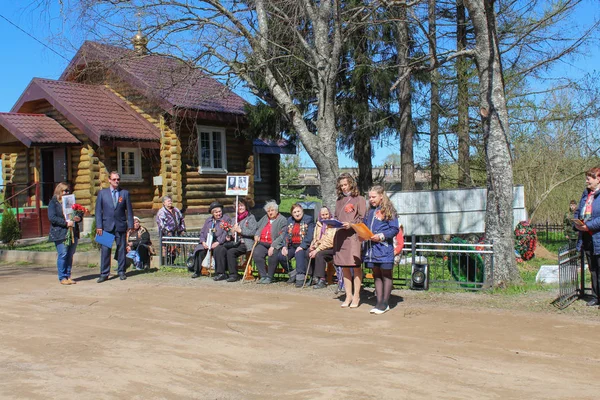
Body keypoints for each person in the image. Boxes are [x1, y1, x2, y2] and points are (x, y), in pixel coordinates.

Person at [363, 185, 400, 314]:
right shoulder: (369, 211)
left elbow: (394, 229)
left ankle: (385, 303)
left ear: (381, 196)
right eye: (369, 197)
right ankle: (378, 302)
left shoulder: (389, 210)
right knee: (376, 275)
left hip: (384, 248)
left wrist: (381, 236)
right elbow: (364, 225)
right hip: (371, 249)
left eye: (374, 197)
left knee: (386, 275)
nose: (371, 199)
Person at [333, 173, 366, 308]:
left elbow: (363, 218)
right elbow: (336, 216)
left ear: (351, 184)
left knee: (355, 266)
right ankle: (348, 295)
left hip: (353, 236)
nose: (344, 188)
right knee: (344, 266)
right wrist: (332, 223)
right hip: (341, 235)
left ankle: (357, 296)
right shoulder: (339, 200)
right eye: (341, 186)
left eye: (345, 184)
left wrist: (351, 224)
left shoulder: (359, 199)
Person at [95, 171, 134, 282]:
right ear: (109, 180)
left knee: (121, 250)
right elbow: (98, 211)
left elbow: (129, 211)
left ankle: (121, 271)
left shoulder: (124, 193)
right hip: (106, 226)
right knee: (105, 250)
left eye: (118, 179)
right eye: (114, 179)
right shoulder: (102, 193)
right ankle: (104, 273)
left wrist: (130, 224)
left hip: (120, 225)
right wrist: (99, 226)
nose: (116, 181)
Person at [574, 167, 600, 307]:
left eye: (589, 179)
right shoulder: (586, 194)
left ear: (598, 179)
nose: (586, 181)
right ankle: (596, 296)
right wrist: (577, 223)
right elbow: (578, 211)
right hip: (587, 237)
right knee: (593, 268)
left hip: (597, 235)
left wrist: (589, 226)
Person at [48, 182, 81, 285]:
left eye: (68, 191)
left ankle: (68, 275)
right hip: (60, 232)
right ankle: (62, 277)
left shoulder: (71, 202)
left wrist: (78, 218)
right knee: (63, 254)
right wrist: (66, 223)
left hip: (73, 232)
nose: (67, 192)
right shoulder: (54, 203)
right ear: (59, 191)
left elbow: (78, 212)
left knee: (70, 254)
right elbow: (52, 218)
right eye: (64, 191)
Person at [191, 201, 232, 279]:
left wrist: (218, 242)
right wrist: (203, 242)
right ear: (212, 213)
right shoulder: (208, 220)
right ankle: (197, 271)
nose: (218, 214)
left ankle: (220, 273)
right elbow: (202, 232)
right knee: (200, 249)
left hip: (220, 242)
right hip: (208, 241)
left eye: (219, 211)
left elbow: (225, 233)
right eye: (216, 212)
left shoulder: (226, 219)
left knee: (218, 250)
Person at [221, 198, 257, 282]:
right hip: (235, 242)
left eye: (241, 205)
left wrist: (241, 231)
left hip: (246, 243)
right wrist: (230, 234)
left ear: (245, 207)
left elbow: (253, 231)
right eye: (237, 206)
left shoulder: (251, 217)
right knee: (221, 249)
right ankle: (222, 273)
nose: (239, 208)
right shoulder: (234, 219)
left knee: (231, 252)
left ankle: (233, 275)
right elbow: (230, 232)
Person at [279, 203, 314, 288]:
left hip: (304, 245)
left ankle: (300, 277)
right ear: (292, 214)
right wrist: (284, 246)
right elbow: (286, 234)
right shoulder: (290, 220)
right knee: (281, 256)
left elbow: (310, 236)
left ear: (302, 210)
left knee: (299, 254)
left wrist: (301, 246)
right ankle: (292, 273)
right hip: (292, 245)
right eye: (294, 212)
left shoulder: (309, 219)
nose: (297, 214)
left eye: (298, 211)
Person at [252, 200, 287, 284]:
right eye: (268, 211)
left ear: (276, 210)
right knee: (257, 253)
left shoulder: (282, 219)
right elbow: (258, 227)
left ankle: (270, 277)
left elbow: (283, 235)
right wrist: (257, 234)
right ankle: (263, 275)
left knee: (272, 254)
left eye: (272, 210)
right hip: (263, 243)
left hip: (275, 244)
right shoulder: (265, 218)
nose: (270, 213)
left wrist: (273, 246)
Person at [308, 207, 336, 289]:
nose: (324, 217)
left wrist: (317, 250)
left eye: (326, 214)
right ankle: (313, 277)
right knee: (307, 253)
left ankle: (322, 279)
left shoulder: (333, 224)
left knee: (319, 255)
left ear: (329, 214)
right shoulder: (318, 224)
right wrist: (313, 246)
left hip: (331, 248)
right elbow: (316, 238)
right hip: (320, 246)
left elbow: (329, 241)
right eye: (322, 215)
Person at [155, 195, 186, 264]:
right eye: (168, 201)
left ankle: (172, 262)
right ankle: (166, 263)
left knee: (177, 248)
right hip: (166, 234)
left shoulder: (176, 210)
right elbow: (160, 223)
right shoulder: (161, 212)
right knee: (167, 249)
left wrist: (182, 229)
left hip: (176, 233)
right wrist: (166, 231)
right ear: (164, 203)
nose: (170, 202)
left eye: (171, 201)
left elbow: (181, 220)